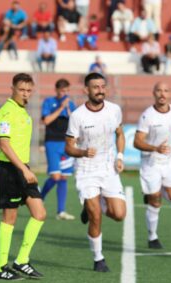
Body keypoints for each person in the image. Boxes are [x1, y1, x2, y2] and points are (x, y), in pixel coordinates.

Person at [65, 72, 126, 272]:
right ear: (86, 90)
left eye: (102, 86)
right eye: (95, 87)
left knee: (119, 214)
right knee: (96, 216)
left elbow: (120, 134)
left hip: (108, 167)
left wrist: (120, 157)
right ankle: (98, 258)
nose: (100, 90)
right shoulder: (78, 116)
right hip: (86, 169)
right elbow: (68, 147)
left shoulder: (114, 110)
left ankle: (94, 205)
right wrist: (82, 152)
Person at [0, 73, 46, 280]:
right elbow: (4, 145)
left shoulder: (23, 112)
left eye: (28, 90)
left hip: (22, 168)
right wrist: (24, 170)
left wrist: (25, 168)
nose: (25, 94)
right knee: (10, 218)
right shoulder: (6, 111)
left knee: (40, 213)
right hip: (9, 169)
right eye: (21, 90)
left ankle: (21, 260)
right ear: (12, 89)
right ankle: (0, 268)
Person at [133, 82, 171, 249]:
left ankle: (153, 193)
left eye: (166, 90)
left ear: (169, 93)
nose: (162, 94)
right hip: (150, 162)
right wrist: (155, 148)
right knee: (156, 202)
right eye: (159, 90)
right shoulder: (147, 116)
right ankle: (152, 237)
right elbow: (137, 142)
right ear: (154, 93)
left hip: (170, 163)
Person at [40, 78, 77, 221]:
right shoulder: (49, 102)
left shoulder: (71, 104)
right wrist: (61, 108)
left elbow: (75, 122)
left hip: (66, 143)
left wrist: (68, 109)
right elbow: (46, 121)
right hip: (52, 142)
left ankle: (61, 211)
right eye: (63, 91)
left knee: (64, 177)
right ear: (56, 91)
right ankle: (40, 198)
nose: (65, 94)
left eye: (67, 91)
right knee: (55, 176)